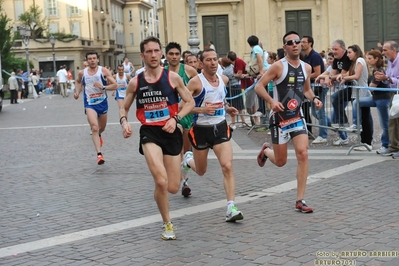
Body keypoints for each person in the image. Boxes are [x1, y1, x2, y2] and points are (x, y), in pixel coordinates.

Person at [120, 36, 194, 240]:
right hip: (149, 132)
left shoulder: (172, 78)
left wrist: (176, 118)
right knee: (161, 182)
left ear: (161, 53)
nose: (153, 55)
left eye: (156, 51)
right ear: (142, 55)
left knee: (171, 187)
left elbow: (189, 101)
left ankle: (165, 185)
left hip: (171, 132)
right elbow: (123, 107)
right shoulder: (136, 82)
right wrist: (124, 122)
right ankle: (167, 224)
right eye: (149, 52)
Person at [254, 31, 322, 213]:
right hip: (279, 119)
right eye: (290, 42)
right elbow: (258, 86)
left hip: (297, 117)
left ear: (301, 44)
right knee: (281, 161)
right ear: (285, 47)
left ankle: (300, 200)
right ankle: (267, 151)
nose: (295, 44)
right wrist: (271, 101)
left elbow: (306, 90)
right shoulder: (278, 66)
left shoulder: (307, 68)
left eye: (297, 41)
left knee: (303, 154)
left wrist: (314, 98)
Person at [181, 48, 244, 223]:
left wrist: (227, 107)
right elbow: (181, 107)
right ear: (201, 64)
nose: (213, 62)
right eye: (208, 60)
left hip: (220, 128)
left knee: (227, 166)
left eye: (215, 59)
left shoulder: (223, 79)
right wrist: (201, 109)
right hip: (201, 130)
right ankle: (187, 161)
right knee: (201, 171)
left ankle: (231, 207)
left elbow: (221, 99)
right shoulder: (195, 83)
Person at [164, 42, 198, 197]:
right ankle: (184, 181)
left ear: (180, 56)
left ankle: (182, 175)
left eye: (176, 54)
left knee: (186, 151)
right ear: (166, 56)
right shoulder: (162, 73)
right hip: (171, 116)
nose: (174, 57)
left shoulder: (189, 71)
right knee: (176, 147)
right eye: (171, 54)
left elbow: (200, 87)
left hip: (188, 114)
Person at [74, 51, 117, 165]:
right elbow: (78, 82)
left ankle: (99, 135)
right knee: (94, 127)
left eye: (94, 58)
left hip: (102, 102)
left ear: (98, 60)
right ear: (87, 61)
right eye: (90, 58)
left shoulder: (103, 71)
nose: (92, 60)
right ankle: (99, 154)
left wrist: (103, 86)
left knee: (101, 128)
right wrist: (77, 91)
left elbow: (115, 85)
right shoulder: (82, 73)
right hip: (89, 103)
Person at [354, 49, 391, 153]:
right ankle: (356, 123)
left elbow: (371, 87)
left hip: (382, 99)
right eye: (367, 58)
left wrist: (370, 85)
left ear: (376, 59)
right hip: (375, 98)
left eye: (370, 58)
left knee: (384, 123)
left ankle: (386, 145)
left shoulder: (379, 70)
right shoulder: (375, 70)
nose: (368, 60)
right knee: (357, 102)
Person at [324, 40, 352, 145]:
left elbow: (342, 74)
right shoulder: (336, 59)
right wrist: (329, 77)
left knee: (336, 105)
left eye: (336, 49)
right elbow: (334, 73)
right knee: (334, 117)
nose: (334, 52)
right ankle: (344, 137)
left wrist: (329, 77)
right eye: (333, 49)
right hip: (341, 89)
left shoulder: (347, 58)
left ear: (343, 49)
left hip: (350, 88)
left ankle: (345, 134)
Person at [375, 41, 399, 157]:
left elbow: (394, 79)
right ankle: (393, 147)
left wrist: (388, 78)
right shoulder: (390, 62)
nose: (382, 52)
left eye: (385, 50)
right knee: (392, 121)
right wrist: (383, 78)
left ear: (393, 50)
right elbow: (390, 78)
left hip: (397, 94)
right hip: (393, 94)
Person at [301, 35, 325, 140]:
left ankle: (323, 133)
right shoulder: (306, 56)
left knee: (319, 111)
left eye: (304, 42)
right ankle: (329, 125)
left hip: (319, 86)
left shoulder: (314, 56)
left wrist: (304, 77)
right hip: (310, 86)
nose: (301, 44)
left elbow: (317, 73)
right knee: (314, 111)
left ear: (310, 43)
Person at [226, 51, 249, 129]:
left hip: (242, 85)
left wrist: (234, 75)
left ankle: (235, 123)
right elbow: (239, 75)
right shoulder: (234, 65)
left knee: (236, 106)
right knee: (240, 106)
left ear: (229, 58)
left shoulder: (238, 62)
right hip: (240, 85)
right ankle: (243, 121)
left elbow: (239, 74)